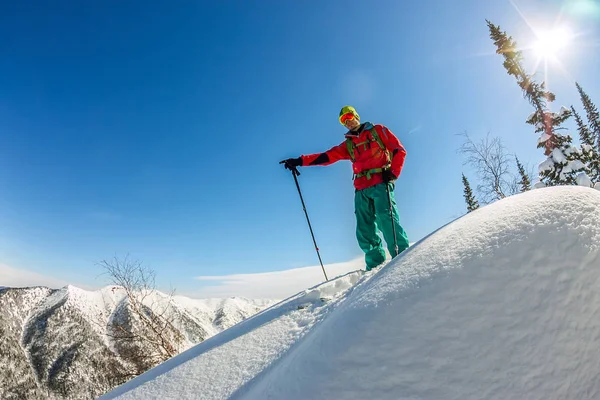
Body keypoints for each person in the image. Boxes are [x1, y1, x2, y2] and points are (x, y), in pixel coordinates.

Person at [280, 105, 409, 271]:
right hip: (361, 188)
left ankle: (403, 260)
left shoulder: (378, 131)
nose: (347, 122)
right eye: (343, 120)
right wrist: (299, 161)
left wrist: (393, 173)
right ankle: (375, 267)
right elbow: (327, 156)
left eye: (349, 116)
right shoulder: (349, 144)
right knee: (364, 229)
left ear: (356, 115)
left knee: (387, 218)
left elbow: (398, 149)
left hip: (380, 183)